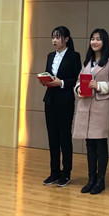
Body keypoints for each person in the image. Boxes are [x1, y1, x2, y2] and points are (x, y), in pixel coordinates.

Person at [73, 28, 109, 195]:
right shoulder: (87, 61)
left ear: (104, 42)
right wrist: (78, 89)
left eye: (98, 39)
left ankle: (100, 180)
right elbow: (79, 80)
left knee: (100, 144)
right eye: (92, 39)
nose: (95, 42)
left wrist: (98, 86)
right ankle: (91, 178)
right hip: (85, 105)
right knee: (89, 145)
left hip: (100, 107)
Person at [42, 26, 82, 187]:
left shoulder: (74, 56)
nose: (54, 40)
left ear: (66, 39)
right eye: (53, 37)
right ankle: (54, 172)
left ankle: (66, 173)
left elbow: (76, 78)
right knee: (52, 137)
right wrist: (44, 79)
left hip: (65, 100)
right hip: (50, 99)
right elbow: (47, 73)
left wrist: (62, 83)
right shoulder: (50, 55)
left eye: (58, 37)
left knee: (64, 137)